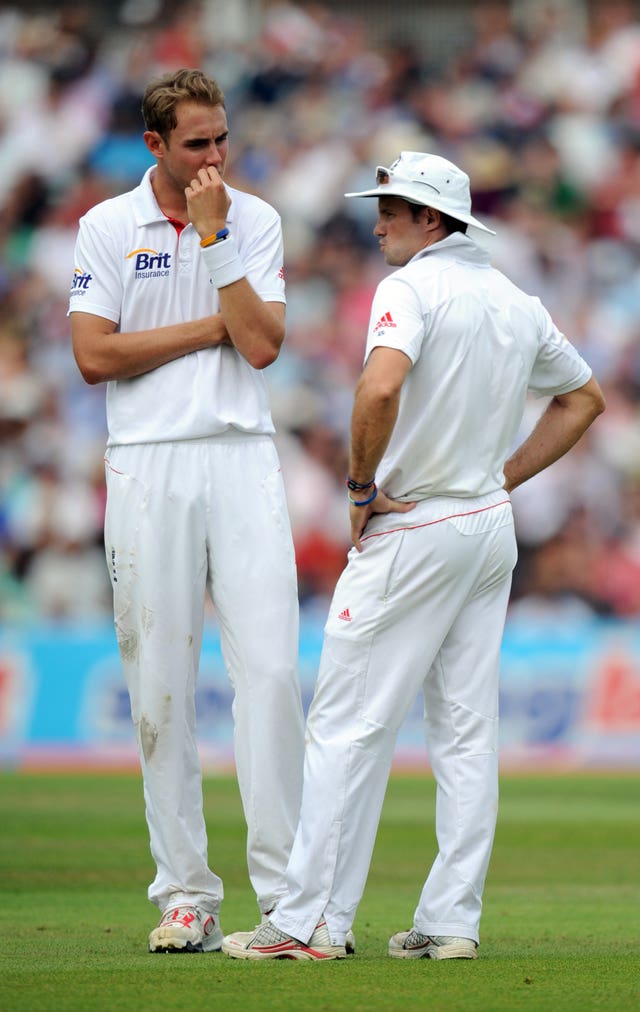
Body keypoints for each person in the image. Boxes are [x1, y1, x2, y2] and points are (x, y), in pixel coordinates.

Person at [221, 151, 605, 961]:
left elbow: (379, 389)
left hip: (415, 522)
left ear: (432, 220)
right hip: (485, 525)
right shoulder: (513, 298)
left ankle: (305, 924)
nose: (378, 222)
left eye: (391, 209)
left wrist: (361, 490)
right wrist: (500, 478)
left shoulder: (409, 287)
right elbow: (583, 399)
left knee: (344, 726)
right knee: (466, 732)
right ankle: (451, 923)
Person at [68, 68, 306, 953]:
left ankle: (287, 900)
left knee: (274, 676)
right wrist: (211, 325)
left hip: (243, 455)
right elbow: (94, 356)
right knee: (159, 687)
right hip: (146, 465)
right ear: (155, 145)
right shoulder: (104, 226)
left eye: (221, 139)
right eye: (197, 142)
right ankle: (187, 897)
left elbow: (267, 345)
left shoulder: (254, 217)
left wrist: (215, 242)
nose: (215, 158)